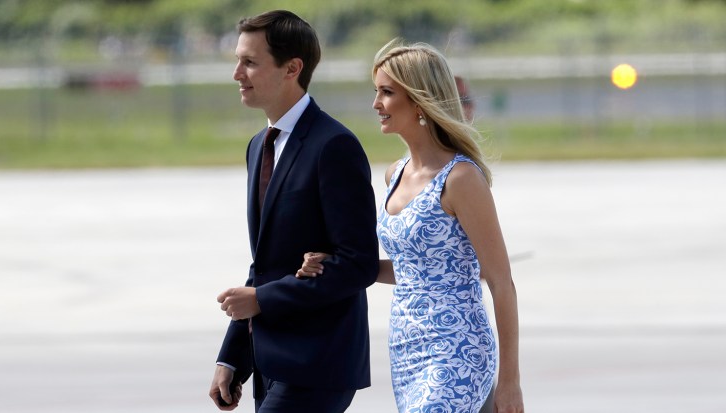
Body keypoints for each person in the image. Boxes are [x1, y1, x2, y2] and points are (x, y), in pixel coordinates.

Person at [297, 40, 524, 413]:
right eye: (376, 91)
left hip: (456, 351)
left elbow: (501, 282)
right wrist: (335, 265)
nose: (376, 103)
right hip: (406, 350)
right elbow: (413, 270)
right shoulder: (394, 174)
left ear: (419, 101)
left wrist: (510, 382)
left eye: (387, 92)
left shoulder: (461, 179)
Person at [210, 10, 380, 413]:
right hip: (271, 360)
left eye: (250, 62)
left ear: (292, 68)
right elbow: (266, 263)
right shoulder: (258, 145)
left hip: (319, 361)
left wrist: (262, 299)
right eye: (237, 60)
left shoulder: (334, 145)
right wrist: (231, 357)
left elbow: (359, 265)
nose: (237, 73)